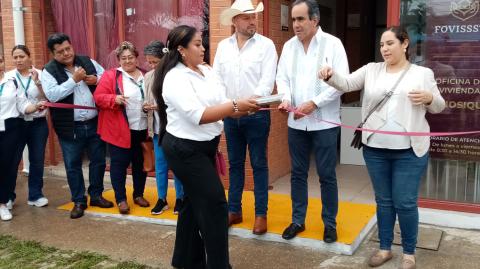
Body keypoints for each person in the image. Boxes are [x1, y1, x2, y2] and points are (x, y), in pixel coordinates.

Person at [318, 27, 445, 269]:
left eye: (389, 43)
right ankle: (385, 248)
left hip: (410, 151)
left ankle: (409, 252)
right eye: (381, 45)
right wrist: (329, 75)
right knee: (384, 201)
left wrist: (429, 97)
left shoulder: (422, 73)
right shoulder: (371, 70)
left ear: (404, 43)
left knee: (405, 202)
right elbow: (345, 84)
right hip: (375, 149)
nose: (384, 49)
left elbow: (439, 106)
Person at [153, 25, 259, 269]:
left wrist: (247, 107)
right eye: (197, 44)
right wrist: (235, 105)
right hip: (183, 150)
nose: (203, 48)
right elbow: (197, 115)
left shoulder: (206, 72)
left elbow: (222, 105)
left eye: (202, 43)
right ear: (181, 50)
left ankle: (185, 260)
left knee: (193, 202)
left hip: (205, 147)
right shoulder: (175, 78)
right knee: (215, 206)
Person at [275, 0, 349, 242]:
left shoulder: (333, 44)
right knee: (297, 174)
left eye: (300, 19)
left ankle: (329, 224)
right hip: (296, 123)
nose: (295, 24)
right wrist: (286, 99)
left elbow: (342, 82)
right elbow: (282, 78)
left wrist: (314, 103)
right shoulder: (288, 47)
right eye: (293, 19)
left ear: (314, 20)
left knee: (326, 174)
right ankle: (298, 221)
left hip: (325, 123)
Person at [215, 0, 277, 235]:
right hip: (231, 115)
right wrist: (230, 106)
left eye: (254, 16)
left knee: (259, 165)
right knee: (235, 165)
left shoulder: (267, 45)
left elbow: (267, 81)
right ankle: (234, 210)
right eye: (247, 17)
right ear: (234, 21)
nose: (253, 21)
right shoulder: (223, 47)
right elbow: (218, 80)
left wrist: (248, 105)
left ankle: (261, 214)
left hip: (257, 114)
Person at [42, 33, 114, 219]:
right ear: (53, 54)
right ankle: (79, 201)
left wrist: (96, 80)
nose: (66, 53)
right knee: (73, 165)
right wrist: (73, 80)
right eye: (60, 52)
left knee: (98, 161)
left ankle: (96, 195)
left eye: (68, 48)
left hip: (94, 122)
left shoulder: (87, 61)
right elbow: (52, 96)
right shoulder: (48, 71)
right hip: (70, 126)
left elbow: (107, 78)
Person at [94, 41, 151, 214]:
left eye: (131, 57)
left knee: (141, 165)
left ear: (136, 58)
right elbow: (98, 97)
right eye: (123, 58)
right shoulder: (111, 76)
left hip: (143, 129)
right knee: (118, 166)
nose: (127, 61)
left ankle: (138, 195)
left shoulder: (146, 75)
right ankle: (121, 199)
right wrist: (114, 99)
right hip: (119, 130)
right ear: (118, 60)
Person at [143, 40, 184, 215]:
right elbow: (145, 100)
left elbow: (181, 103)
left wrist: (160, 107)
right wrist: (145, 107)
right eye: (149, 62)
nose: (152, 65)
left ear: (165, 58)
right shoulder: (148, 77)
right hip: (157, 129)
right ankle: (162, 199)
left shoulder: (175, 74)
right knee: (160, 165)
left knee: (177, 166)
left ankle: (181, 198)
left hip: (175, 130)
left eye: (155, 62)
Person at [5, 45, 49, 208]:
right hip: (16, 123)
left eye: (21, 56)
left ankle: (35, 195)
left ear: (29, 57)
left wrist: (37, 82)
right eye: (15, 57)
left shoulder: (40, 73)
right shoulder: (9, 76)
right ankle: (8, 196)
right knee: (12, 160)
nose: (18, 60)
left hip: (38, 123)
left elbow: (48, 96)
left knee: (37, 160)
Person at [0, 68, 46, 221]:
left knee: (7, 165)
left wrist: (36, 107)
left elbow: (22, 104)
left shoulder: (11, 82)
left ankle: (3, 203)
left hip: (10, 127)